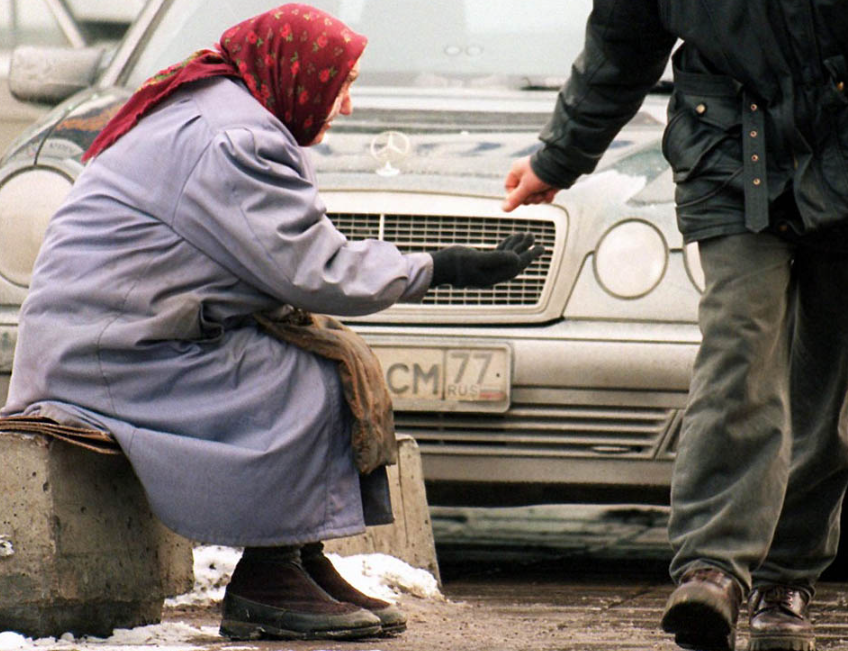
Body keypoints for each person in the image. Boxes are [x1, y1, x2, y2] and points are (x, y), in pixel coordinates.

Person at [0, 3, 544, 642]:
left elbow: (274, 252)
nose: (346, 107)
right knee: (310, 380)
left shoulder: (227, 112)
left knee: (318, 357)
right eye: (343, 85)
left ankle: (297, 556)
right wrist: (439, 266)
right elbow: (313, 269)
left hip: (118, 337)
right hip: (107, 358)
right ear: (299, 73)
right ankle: (267, 577)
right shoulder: (235, 137)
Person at [502, 2, 848, 651]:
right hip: (727, 145)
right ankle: (711, 568)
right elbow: (621, 47)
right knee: (737, 348)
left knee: (823, 381)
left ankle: (785, 579)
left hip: (842, 144)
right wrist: (557, 159)